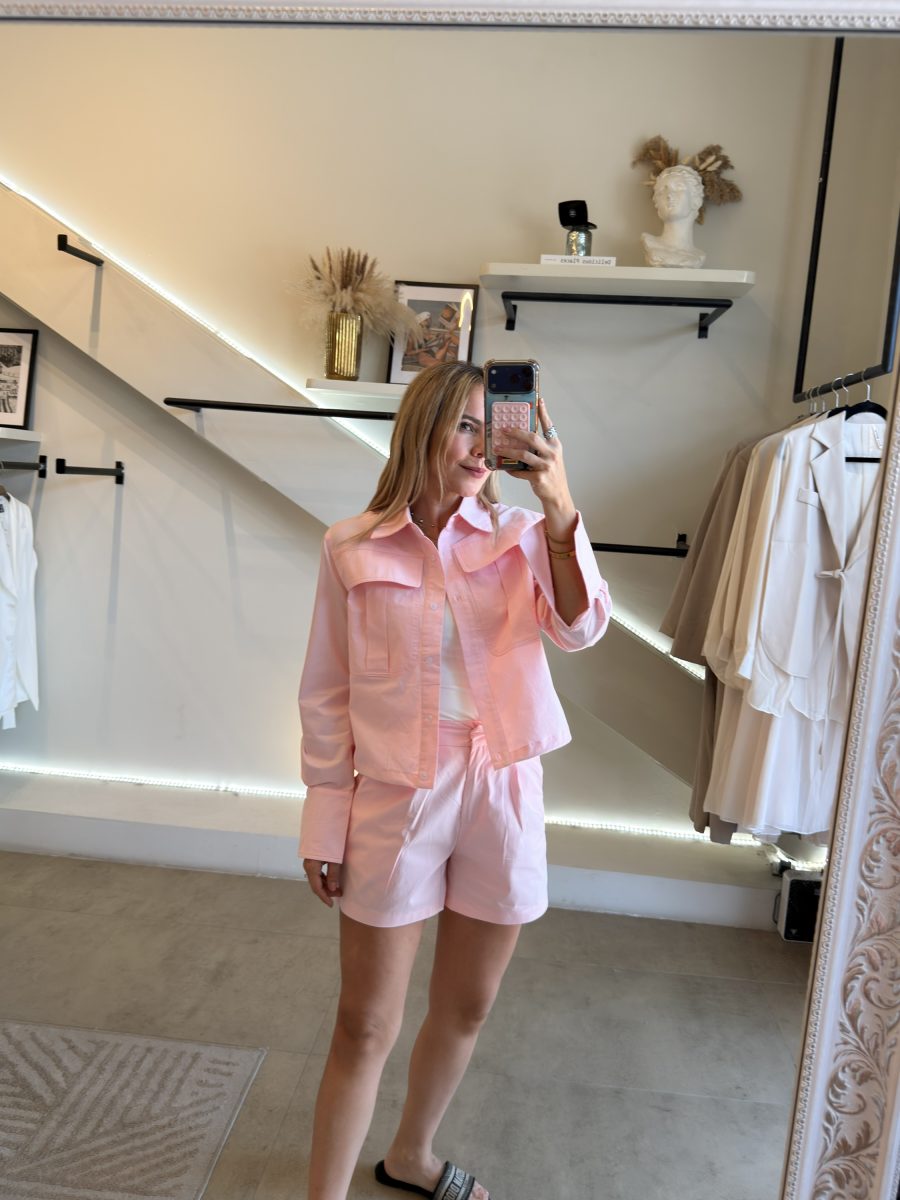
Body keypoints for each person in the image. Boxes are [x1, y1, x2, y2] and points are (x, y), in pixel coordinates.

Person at [298, 361, 611, 1200]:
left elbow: (581, 627)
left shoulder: (523, 534)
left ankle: (413, 1154)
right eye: (466, 425)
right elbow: (326, 692)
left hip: (502, 781)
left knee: (467, 1004)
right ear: (424, 427)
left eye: (494, 425)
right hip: (395, 790)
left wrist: (558, 502)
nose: (482, 446)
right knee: (365, 1022)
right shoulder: (351, 546)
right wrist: (324, 818)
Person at [640, 163, 706, 268]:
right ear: (657, 203)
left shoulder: (699, 256)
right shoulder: (650, 244)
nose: (669, 195)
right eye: (663, 190)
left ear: (696, 200)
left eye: (679, 187)